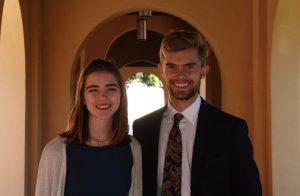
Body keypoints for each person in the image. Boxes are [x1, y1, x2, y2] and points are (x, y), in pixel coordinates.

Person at [133, 30, 262, 196]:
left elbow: (249, 191)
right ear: (161, 70)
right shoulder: (143, 129)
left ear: (203, 71)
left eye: (189, 67)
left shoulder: (231, 130)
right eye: (172, 66)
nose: (180, 75)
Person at [35, 59, 142, 196]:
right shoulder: (55, 152)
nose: (102, 97)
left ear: (121, 95)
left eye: (111, 89)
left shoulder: (133, 148)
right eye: (93, 90)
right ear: (83, 98)